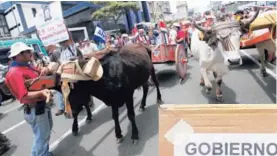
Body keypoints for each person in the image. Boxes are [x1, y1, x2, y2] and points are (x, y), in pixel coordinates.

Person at [5, 42, 54, 156]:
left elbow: (39, 75)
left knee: (43, 134)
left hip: (41, 106)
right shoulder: (14, 72)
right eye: (27, 52)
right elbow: (24, 95)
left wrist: (44, 71)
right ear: (19, 55)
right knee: (42, 136)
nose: (30, 53)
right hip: (34, 108)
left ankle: (41, 153)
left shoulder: (26, 66)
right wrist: (41, 92)